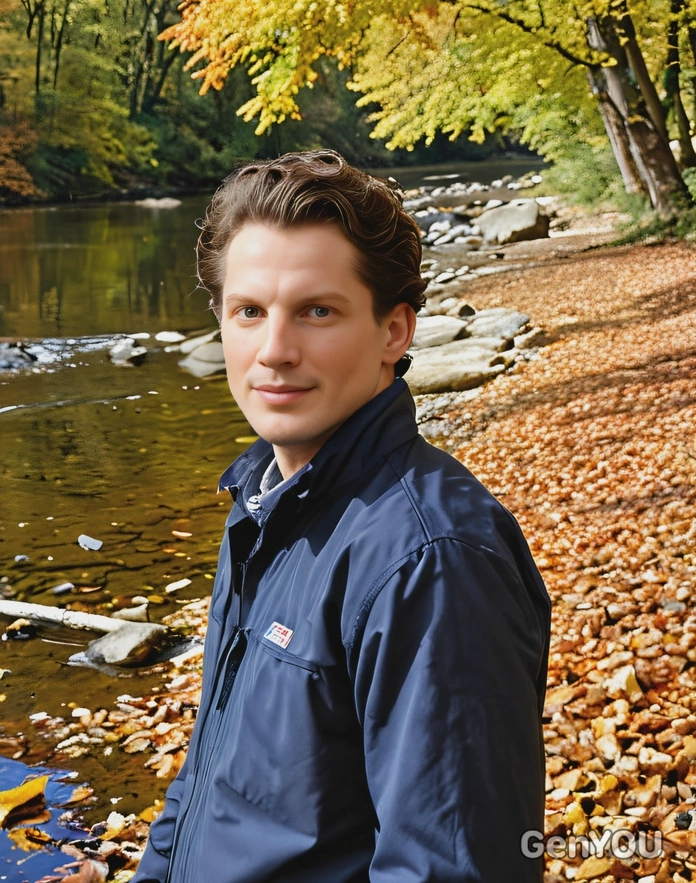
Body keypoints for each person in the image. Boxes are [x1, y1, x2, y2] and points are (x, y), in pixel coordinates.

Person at [133, 150, 551, 883]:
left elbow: (450, 866)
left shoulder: (431, 561)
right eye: (249, 312)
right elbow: (207, 775)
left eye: (316, 312)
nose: (275, 351)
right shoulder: (264, 504)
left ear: (394, 332)